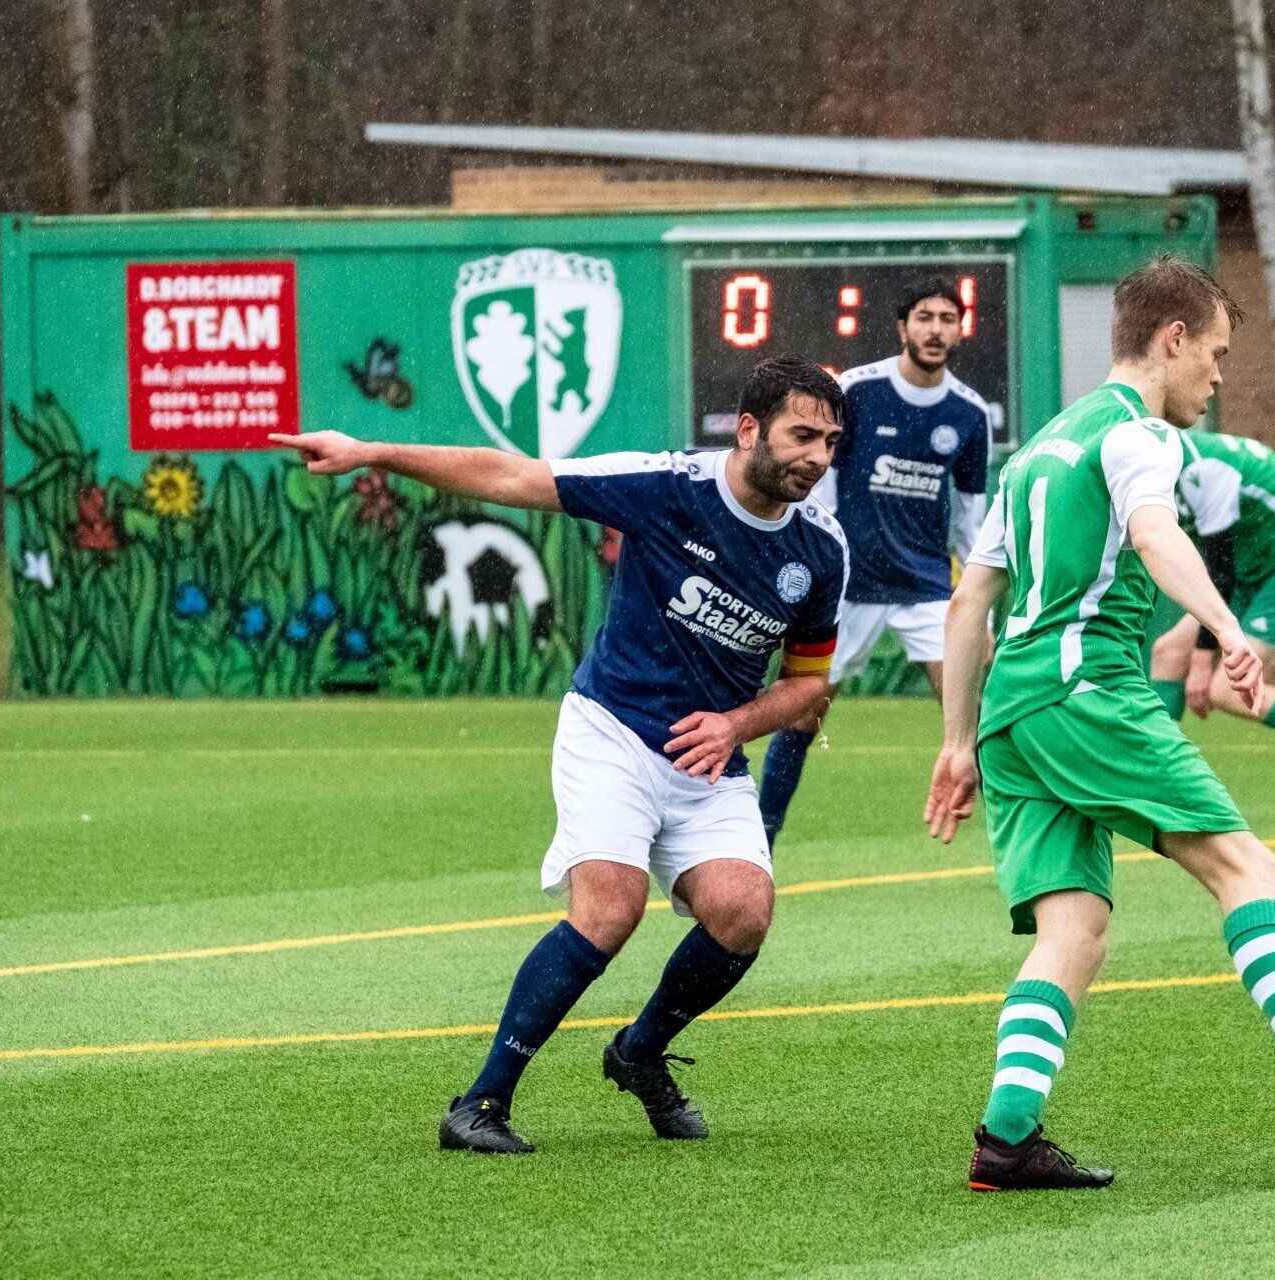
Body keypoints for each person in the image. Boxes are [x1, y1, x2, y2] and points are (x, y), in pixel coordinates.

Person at [925, 255, 1275, 1192]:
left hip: (1015, 712)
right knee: (1246, 866)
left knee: (1073, 928)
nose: (1216, 379)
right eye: (1213, 354)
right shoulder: (1139, 435)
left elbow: (971, 602)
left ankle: (1006, 1138)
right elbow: (1155, 533)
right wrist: (1225, 626)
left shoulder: (1040, 448)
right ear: (1171, 340)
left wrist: (959, 742)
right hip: (1088, 691)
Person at [271, 355, 849, 1154]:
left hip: (709, 759)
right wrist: (375, 452)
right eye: (801, 435)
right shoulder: (665, 486)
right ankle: (480, 1103)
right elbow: (509, 476)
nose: (817, 457)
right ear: (749, 429)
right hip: (612, 731)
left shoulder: (820, 549)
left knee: (744, 912)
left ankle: (639, 1052)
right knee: (610, 909)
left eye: (830, 442)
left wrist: (735, 725)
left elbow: (809, 684)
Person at [757, 277, 990, 848]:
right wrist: (818, 570)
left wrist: (982, 606)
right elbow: (821, 489)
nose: (935, 329)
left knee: (974, 724)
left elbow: (971, 518)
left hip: (927, 587)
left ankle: (1019, 843)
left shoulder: (969, 412)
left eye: (947, 319)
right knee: (801, 717)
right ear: (902, 327)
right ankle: (758, 840)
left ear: (959, 331)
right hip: (850, 588)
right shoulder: (857, 391)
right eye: (924, 317)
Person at [1147, 427, 1275, 761]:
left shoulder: (1203, 468)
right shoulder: (1161, 466)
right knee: (1168, 653)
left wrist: (1202, 661)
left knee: (1226, 689)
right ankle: (1156, 771)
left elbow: (1219, 571)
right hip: (1252, 573)